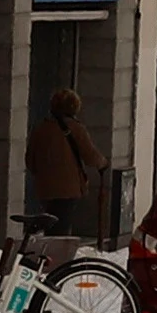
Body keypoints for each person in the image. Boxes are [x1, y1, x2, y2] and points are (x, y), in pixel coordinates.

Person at [26, 88, 104, 236]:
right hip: (69, 188)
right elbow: (90, 156)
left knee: (51, 223)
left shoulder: (40, 129)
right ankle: (58, 256)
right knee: (62, 225)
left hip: (45, 188)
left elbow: (30, 160)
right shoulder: (76, 128)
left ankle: (48, 252)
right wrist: (103, 163)